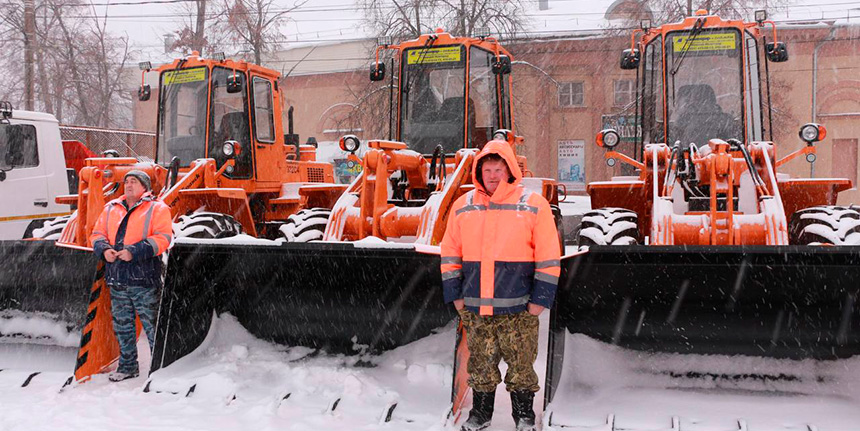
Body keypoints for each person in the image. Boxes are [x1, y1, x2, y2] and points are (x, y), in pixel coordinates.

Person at [440, 140, 561, 431]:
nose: (493, 175)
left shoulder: (533, 205)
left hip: (519, 308)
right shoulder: (462, 206)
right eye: (487, 170)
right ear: (478, 173)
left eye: (498, 169)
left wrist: (540, 299)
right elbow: (450, 254)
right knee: (480, 365)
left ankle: (524, 417)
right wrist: (455, 296)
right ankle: (481, 415)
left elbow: (548, 255)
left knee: (521, 366)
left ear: (509, 171)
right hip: (476, 307)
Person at [90, 170, 173, 382]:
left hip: (143, 280)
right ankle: (127, 367)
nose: (128, 185)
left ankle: (161, 369)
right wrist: (104, 250)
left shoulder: (157, 209)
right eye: (126, 181)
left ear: (144, 187)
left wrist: (133, 252)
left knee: (152, 326)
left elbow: (163, 238)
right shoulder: (111, 208)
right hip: (117, 278)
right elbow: (97, 234)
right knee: (122, 326)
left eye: (134, 181)